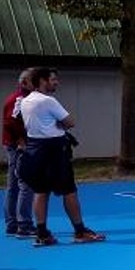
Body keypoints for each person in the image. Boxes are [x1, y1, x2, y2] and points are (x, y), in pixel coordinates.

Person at [14, 67, 106, 247]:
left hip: (34, 150)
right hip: (54, 151)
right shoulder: (48, 101)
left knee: (41, 192)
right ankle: (80, 232)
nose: (56, 82)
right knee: (69, 191)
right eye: (53, 79)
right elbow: (70, 122)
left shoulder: (25, 101)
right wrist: (58, 124)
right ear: (42, 80)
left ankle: (42, 234)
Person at [1, 68, 36, 237]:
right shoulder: (19, 99)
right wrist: (21, 140)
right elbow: (9, 121)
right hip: (17, 147)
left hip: (14, 144)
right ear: (24, 83)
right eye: (33, 80)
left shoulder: (25, 98)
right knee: (24, 184)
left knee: (14, 185)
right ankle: (24, 223)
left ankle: (12, 223)